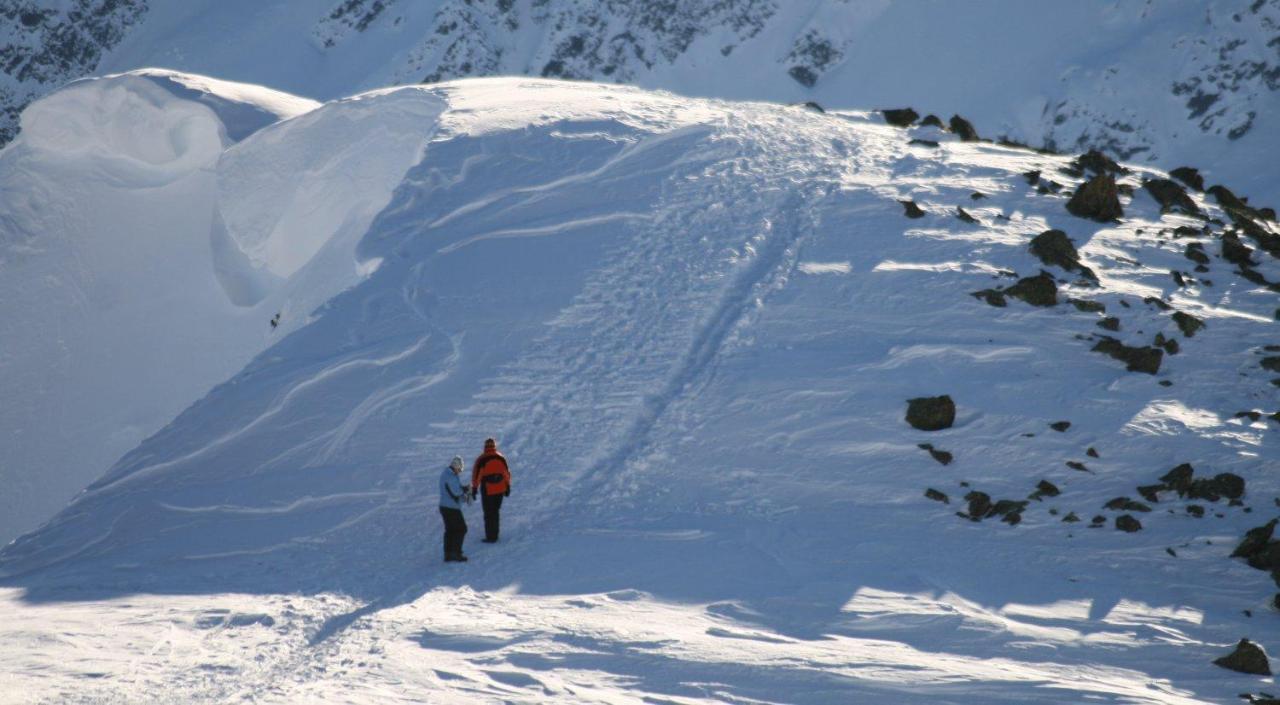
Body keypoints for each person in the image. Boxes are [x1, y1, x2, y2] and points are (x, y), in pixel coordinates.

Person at [471, 437, 510, 543]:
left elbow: (476, 476)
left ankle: (491, 537)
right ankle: (495, 534)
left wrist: (474, 488)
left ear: (485, 447)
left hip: (488, 490)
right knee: (495, 512)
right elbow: (506, 474)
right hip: (500, 489)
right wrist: (508, 487)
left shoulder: (482, 459)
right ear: (494, 446)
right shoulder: (501, 458)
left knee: (489, 513)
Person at [438, 455, 469, 562]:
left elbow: (454, 489)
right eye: (459, 469)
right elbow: (456, 492)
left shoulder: (447, 474)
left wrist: (463, 489)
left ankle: (448, 553)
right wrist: (465, 490)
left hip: (445, 506)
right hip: (451, 508)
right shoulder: (450, 476)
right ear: (456, 466)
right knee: (461, 529)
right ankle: (456, 553)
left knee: (450, 530)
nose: (460, 471)